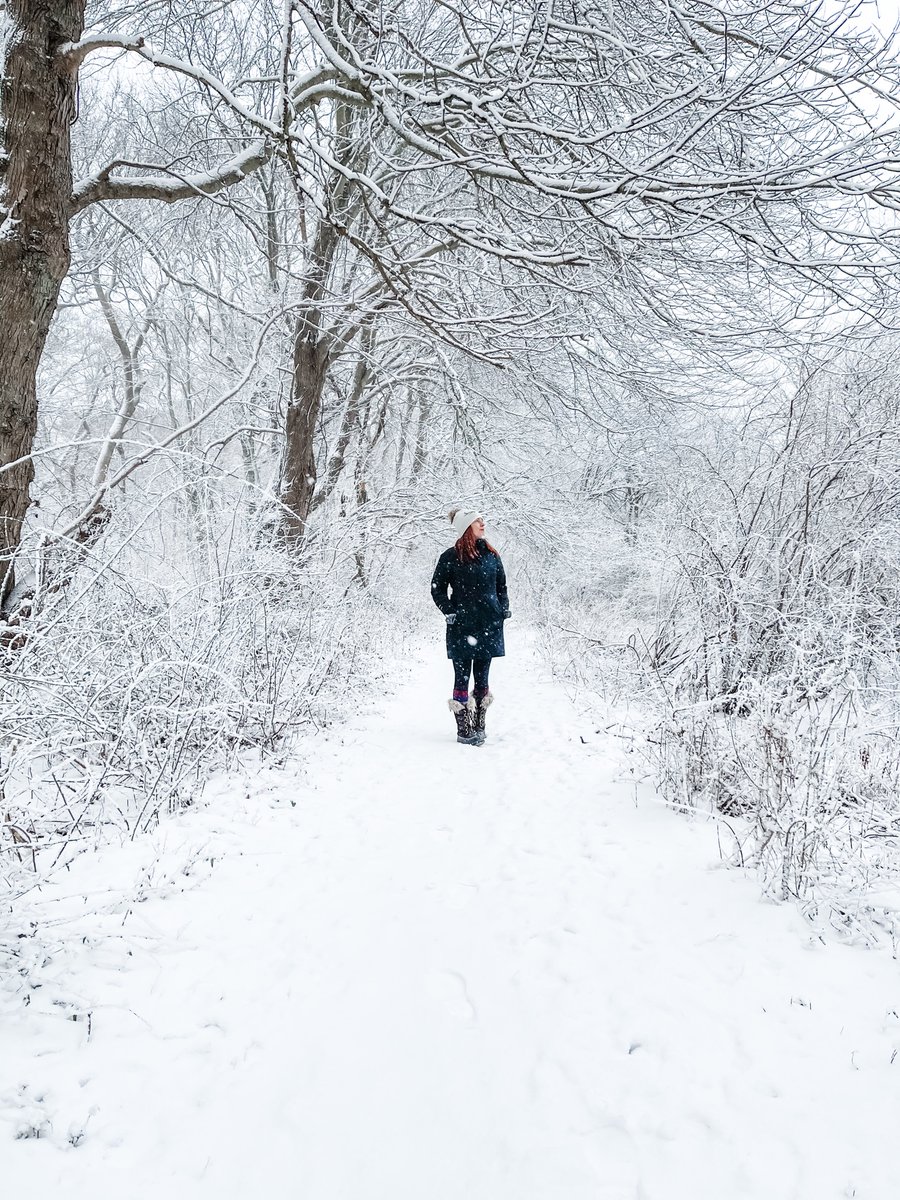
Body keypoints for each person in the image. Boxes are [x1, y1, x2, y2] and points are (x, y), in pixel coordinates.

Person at [430, 508, 511, 745]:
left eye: (482, 520)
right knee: (462, 677)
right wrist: (449, 611)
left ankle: (479, 723)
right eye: (478, 521)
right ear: (466, 527)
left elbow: (502, 586)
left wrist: (502, 608)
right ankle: (464, 728)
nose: (483, 524)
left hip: (489, 624)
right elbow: (437, 588)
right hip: (462, 626)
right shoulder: (450, 557)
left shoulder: (492, 555)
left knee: (483, 678)